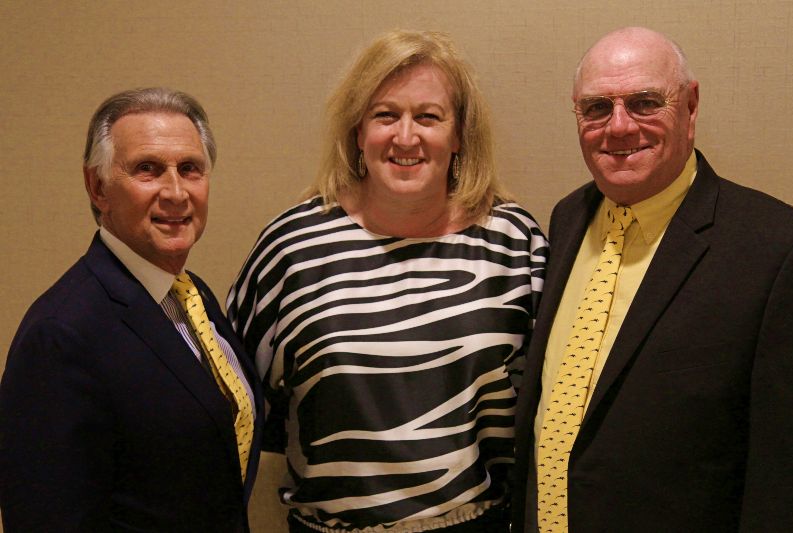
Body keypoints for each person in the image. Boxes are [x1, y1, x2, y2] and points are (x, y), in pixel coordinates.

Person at [228, 30, 547, 532]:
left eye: (428, 116)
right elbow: (243, 410)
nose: (405, 137)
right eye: (385, 115)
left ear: (459, 134)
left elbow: (542, 415)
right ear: (358, 131)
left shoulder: (514, 244)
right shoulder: (290, 248)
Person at [512, 26, 793, 532]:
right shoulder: (567, 218)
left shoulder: (776, 249)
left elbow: (782, 474)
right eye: (597, 107)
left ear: (690, 106)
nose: (619, 127)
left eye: (645, 102)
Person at [0, 88, 263, 532]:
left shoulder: (191, 296)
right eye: (148, 169)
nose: (176, 192)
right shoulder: (61, 334)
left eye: (190, 169)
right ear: (98, 187)